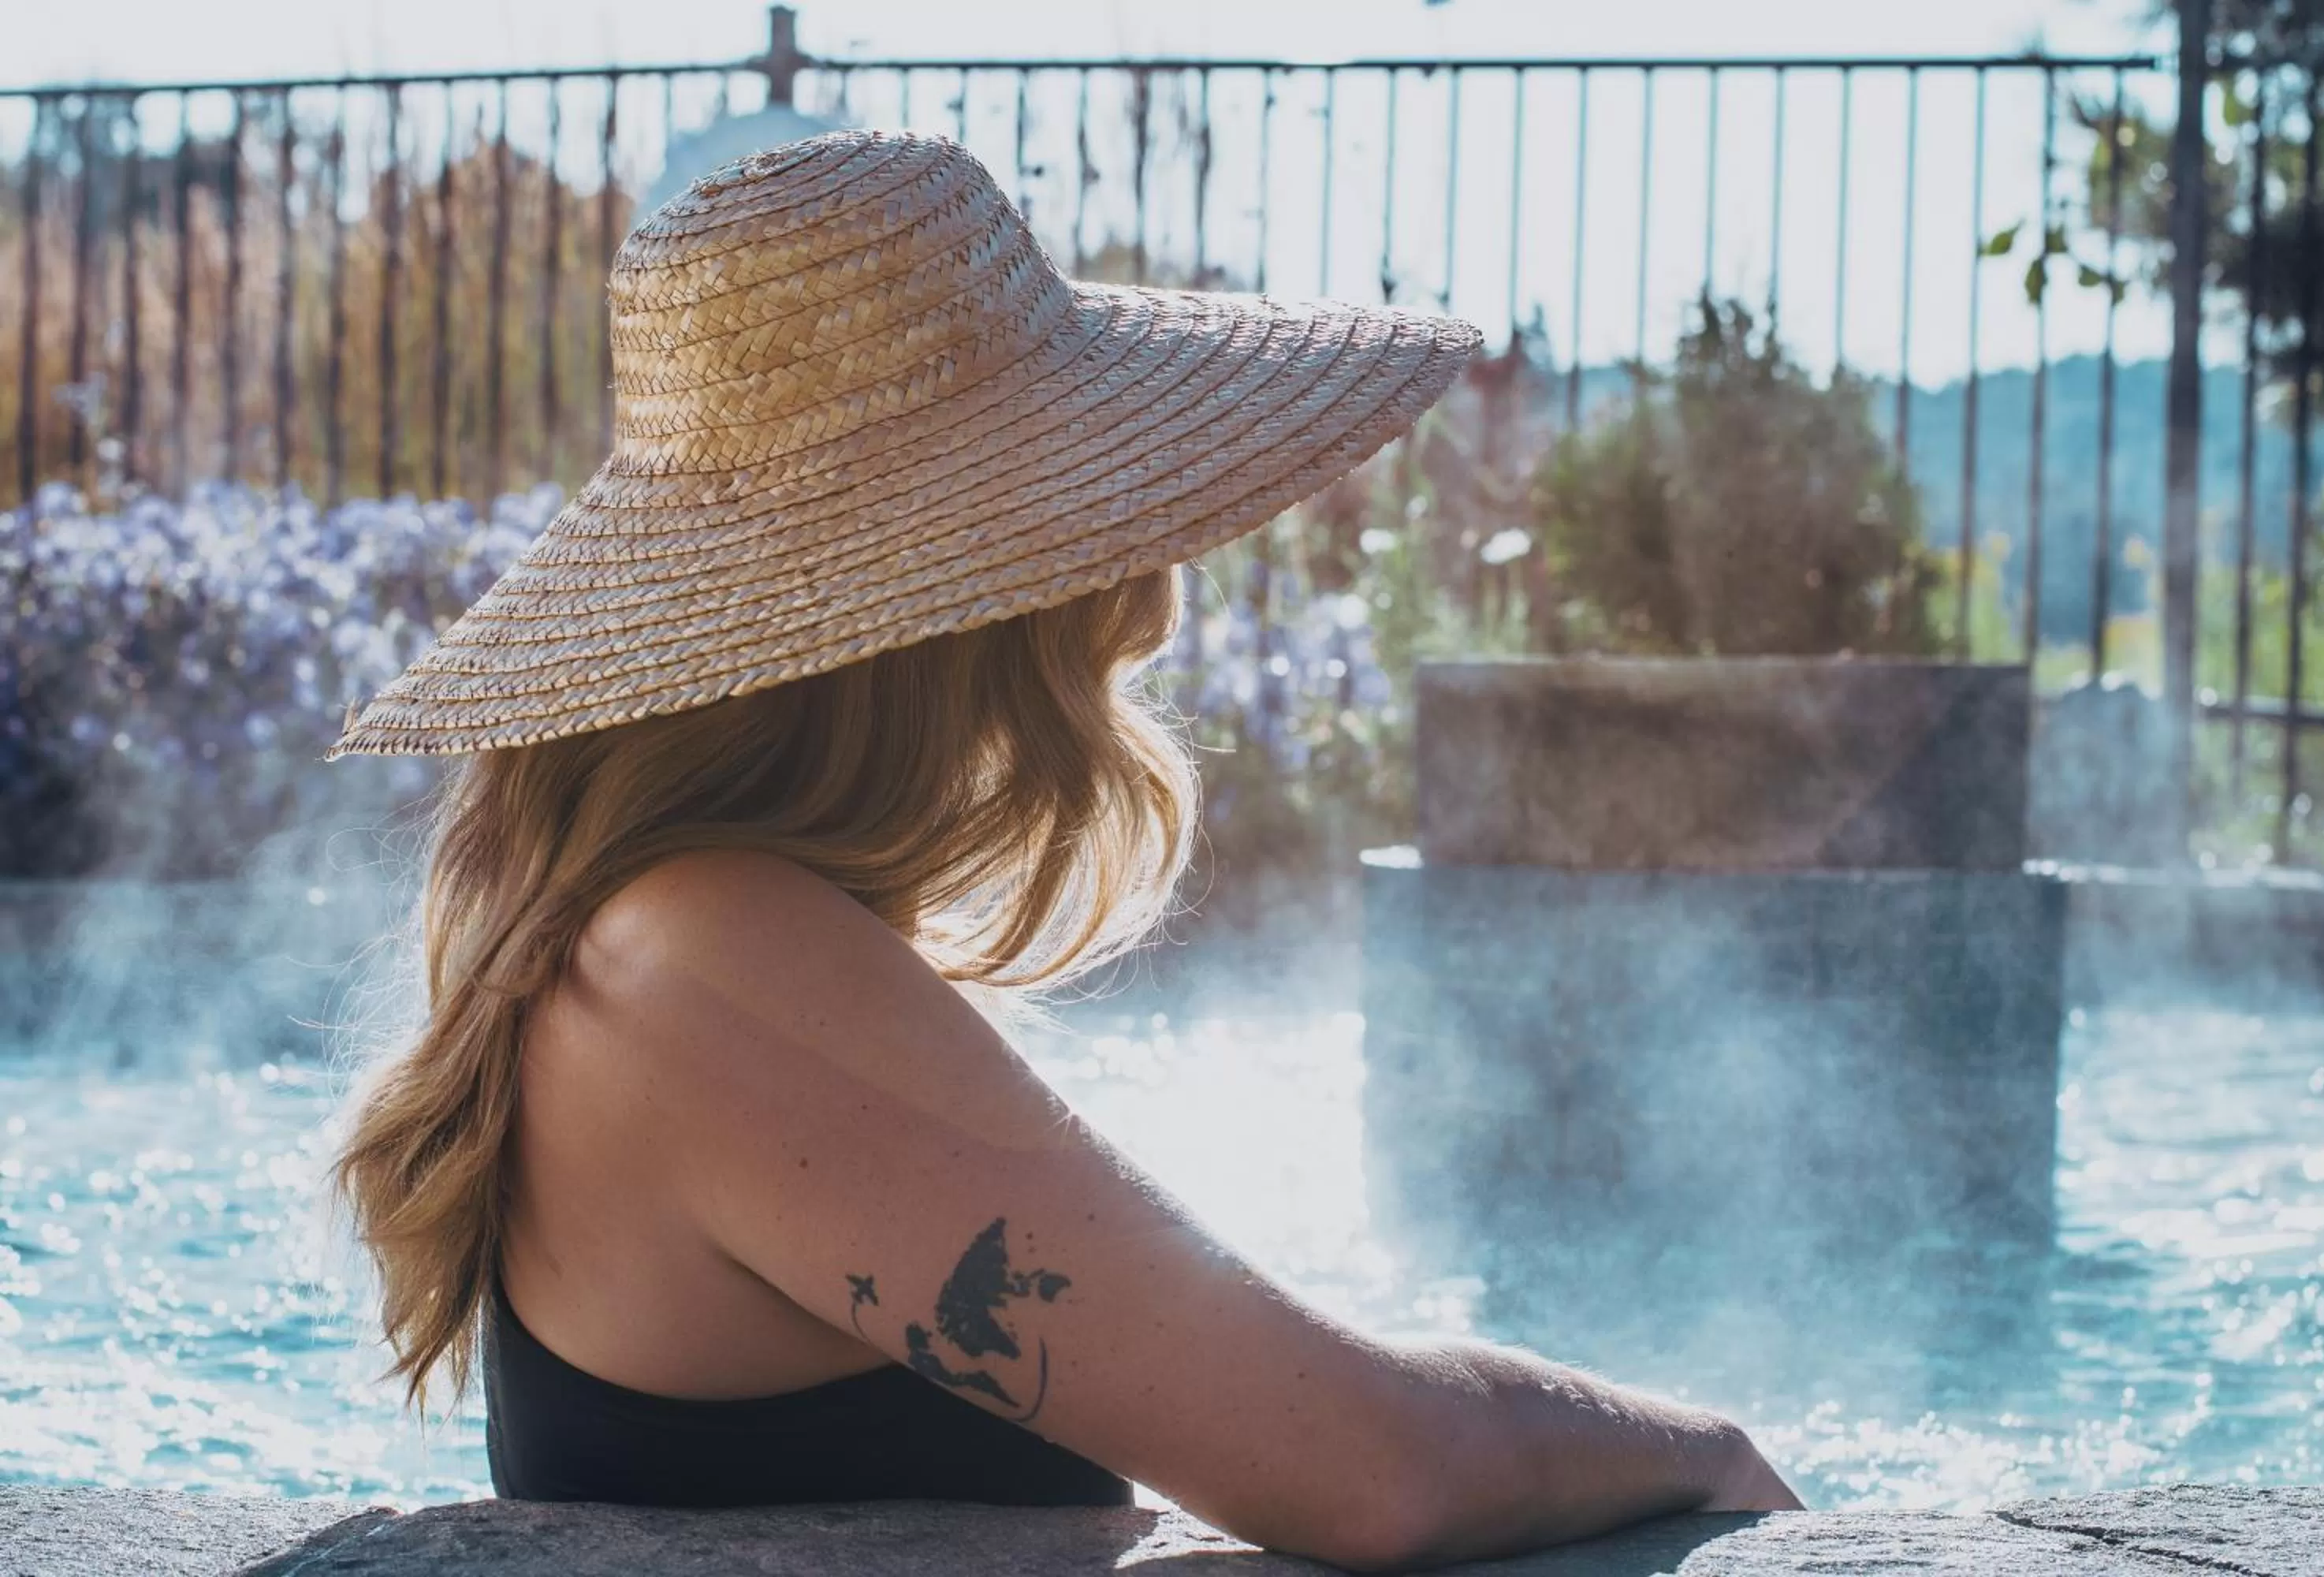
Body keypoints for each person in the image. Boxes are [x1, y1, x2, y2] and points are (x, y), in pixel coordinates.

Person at [329, 129, 1801, 1571]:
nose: (1144, 585)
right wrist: (1706, 1460)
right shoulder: (703, 954)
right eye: (1097, 516)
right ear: (976, 596)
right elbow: (1373, 1471)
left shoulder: (635, 937)